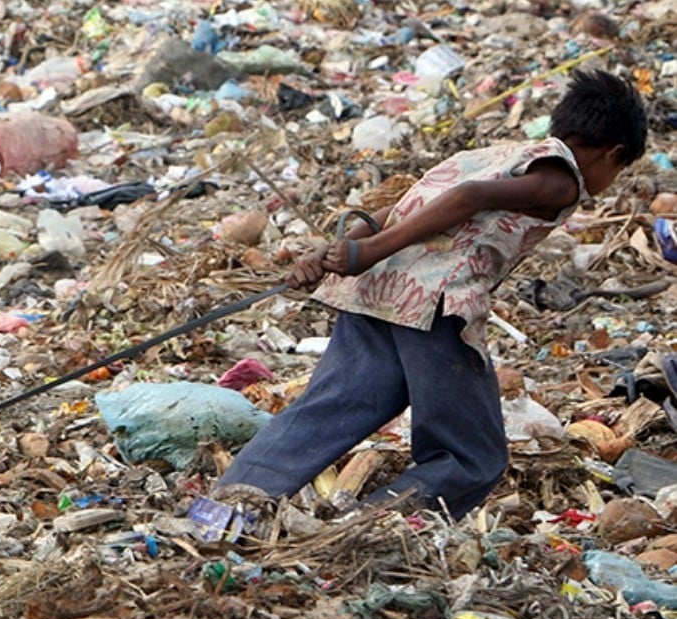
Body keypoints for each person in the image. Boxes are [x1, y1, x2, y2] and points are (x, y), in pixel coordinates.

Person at [214, 68, 649, 518]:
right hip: (435, 304)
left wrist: (336, 251)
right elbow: (468, 197)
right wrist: (366, 250)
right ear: (613, 153)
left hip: (377, 290)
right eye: (618, 171)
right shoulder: (562, 181)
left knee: (331, 408)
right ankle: (371, 527)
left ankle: (226, 508)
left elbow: (402, 206)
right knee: (470, 456)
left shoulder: (496, 154)